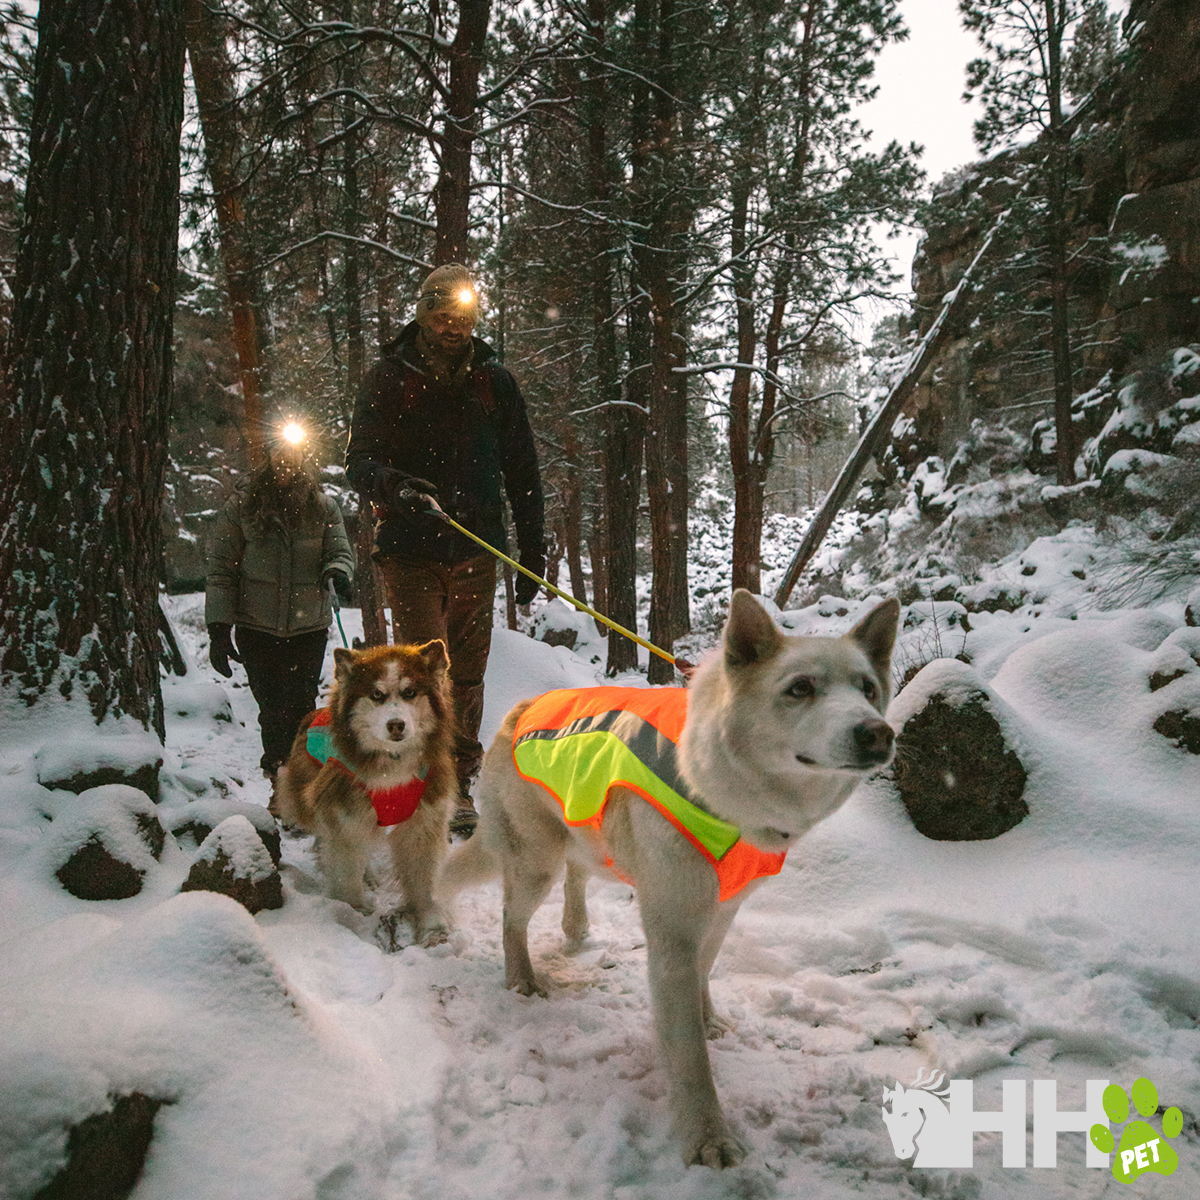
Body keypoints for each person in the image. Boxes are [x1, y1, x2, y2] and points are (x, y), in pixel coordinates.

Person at [346, 263, 545, 833]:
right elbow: (359, 461)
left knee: (468, 674)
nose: (452, 327)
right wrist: (397, 488)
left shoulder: (494, 382)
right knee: (423, 670)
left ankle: (456, 780)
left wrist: (532, 550)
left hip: (477, 551)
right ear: (423, 313)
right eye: (441, 315)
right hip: (411, 549)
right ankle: (419, 776)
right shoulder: (389, 377)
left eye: (462, 317)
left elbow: (523, 470)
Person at [205, 428, 356, 776]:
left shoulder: (323, 507)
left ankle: (302, 778)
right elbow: (222, 569)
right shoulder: (242, 507)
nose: (285, 461)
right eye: (279, 453)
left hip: (308, 628)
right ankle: (278, 776)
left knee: (302, 706)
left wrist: (337, 571)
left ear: (303, 458)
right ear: (269, 457)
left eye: (292, 454)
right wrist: (218, 630)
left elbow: (339, 551)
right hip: (256, 628)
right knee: (271, 709)